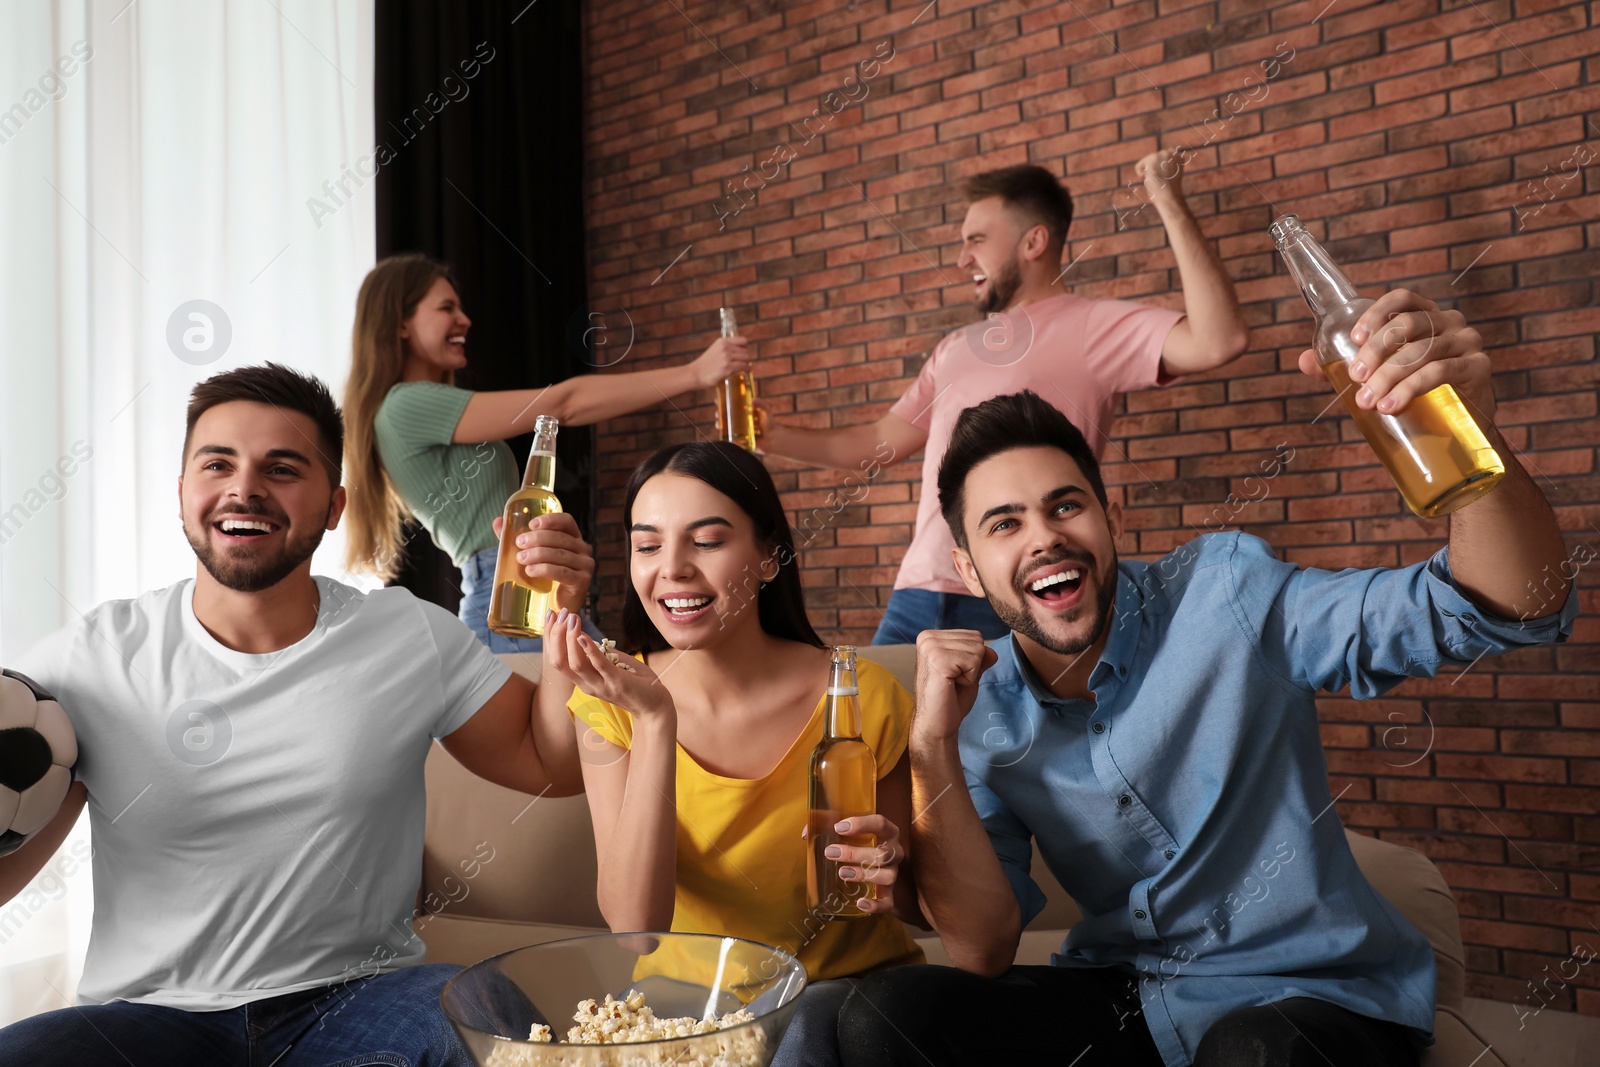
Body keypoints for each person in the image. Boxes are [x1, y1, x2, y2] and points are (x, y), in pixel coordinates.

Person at [836, 291, 1577, 1066]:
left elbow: (1500, 608)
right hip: (1129, 993)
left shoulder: (1225, 594)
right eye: (1005, 523)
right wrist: (932, 740)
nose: (1046, 537)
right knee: (881, 1015)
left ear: (1110, 515)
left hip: (1306, 995)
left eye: (1066, 506)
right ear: (966, 566)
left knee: (1253, 1050)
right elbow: (983, 946)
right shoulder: (983, 709)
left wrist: (1473, 438)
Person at [0, 364, 593, 1067]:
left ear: (335, 504)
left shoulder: (408, 635)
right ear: (183, 493)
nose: (244, 487)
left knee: (491, 1021)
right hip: (149, 1018)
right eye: (217, 463)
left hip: (358, 1000)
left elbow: (549, 763)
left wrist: (564, 609)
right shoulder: (89, 658)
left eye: (282, 469)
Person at [753, 152, 1249, 645]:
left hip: (1019, 596)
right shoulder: (954, 348)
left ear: (1034, 241)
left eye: (977, 241)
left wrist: (1168, 200)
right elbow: (878, 442)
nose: (962, 259)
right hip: (919, 593)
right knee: (886, 726)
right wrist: (771, 435)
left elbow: (1218, 341)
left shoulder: (1091, 327)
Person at [541, 441, 924, 1067]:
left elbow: (914, 900)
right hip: (683, 1006)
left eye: (707, 540)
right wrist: (655, 719)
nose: (673, 569)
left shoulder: (861, 698)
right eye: (648, 545)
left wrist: (893, 868)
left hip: (848, 1000)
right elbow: (636, 928)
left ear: (770, 557)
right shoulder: (611, 702)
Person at [342, 252, 751, 651]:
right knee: (615, 714)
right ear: (400, 323)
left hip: (526, 590)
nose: (464, 319)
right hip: (509, 598)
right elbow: (565, 403)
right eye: (446, 307)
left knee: (617, 712)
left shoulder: (408, 406)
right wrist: (696, 373)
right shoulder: (406, 404)